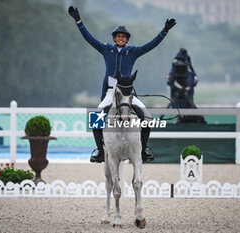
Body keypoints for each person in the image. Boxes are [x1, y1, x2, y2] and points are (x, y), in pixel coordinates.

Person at [68, 6, 176, 163]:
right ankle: (99, 151)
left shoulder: (132, 51)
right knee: (96, 119)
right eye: (118, 36)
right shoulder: (106, 49)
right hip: (110, 93)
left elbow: (150, 45)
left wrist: (164, 31)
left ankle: (143, 150)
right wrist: (78, 21)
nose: (120, 38)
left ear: (127, 39)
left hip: (128, 93)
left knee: (147, 117)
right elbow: (89, 38)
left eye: (123, 37)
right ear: (114, 38)